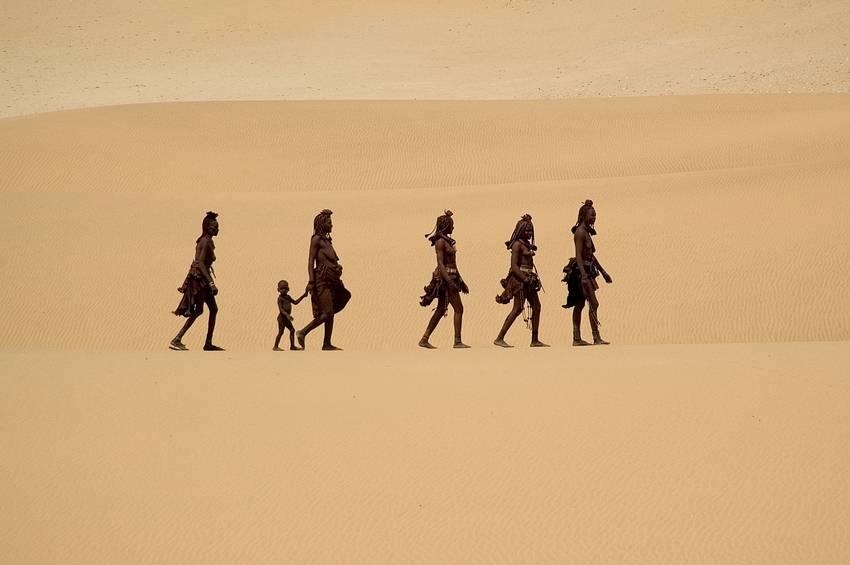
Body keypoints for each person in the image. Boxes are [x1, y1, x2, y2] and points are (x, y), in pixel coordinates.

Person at [296, 209, 351, 350]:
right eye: (329, 223)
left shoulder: (327, 240)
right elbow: (310, 261)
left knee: (331, 311)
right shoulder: (316, 240)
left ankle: (327, 343)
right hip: (322, 280)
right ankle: (303, 331)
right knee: (326, 312)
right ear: (322, 224)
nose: (332, 225)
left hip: (332, 280)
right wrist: (311, 281)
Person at [170, 211, 225, 351]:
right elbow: (200, 263)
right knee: (199, 310)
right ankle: (177, 339)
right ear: (208, 227)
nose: (218, 229)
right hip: (199, 279)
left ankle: (208, 342)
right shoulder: (205, 242)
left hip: (203, 278)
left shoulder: (207, 241)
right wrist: (211, 283)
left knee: (213, 309)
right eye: (215, 227)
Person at [562, 200, 613, 345]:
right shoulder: (580, 232)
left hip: (587, 272)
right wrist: (584, 276)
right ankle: (595, 337)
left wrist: (603, 273)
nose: (594, 218)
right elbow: (578, 255)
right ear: (584, 215)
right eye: (592, 215)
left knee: (580, 304)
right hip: (581, 274)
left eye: (595, 215)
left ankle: (577, 338)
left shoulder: (586, 232)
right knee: (594, 303)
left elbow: (590, 255)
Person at [494, 214, 549, 348]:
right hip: (520, 281)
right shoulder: (517, 245)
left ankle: (535, 340)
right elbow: (514, 266)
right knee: (518, 308)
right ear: (520, 230)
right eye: (527, 231)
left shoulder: (526, 245)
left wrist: (530, 279)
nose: (529, 233)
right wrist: (525, 279)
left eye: (531, 231)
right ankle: (499, 338)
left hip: (529, 280)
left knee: (536, 306)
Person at [419, 210, 470, 349]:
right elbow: (441, 264)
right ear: (445, 225)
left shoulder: (447, 241)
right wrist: (450, 282)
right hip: (445, 280)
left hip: (451, 278)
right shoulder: (440, 242)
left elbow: (453, 264)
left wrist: (461, 281)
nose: (453, 227)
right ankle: (457, 341)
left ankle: (424, 339)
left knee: (441, 309)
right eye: (451, 225)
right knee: (459, 309)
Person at [273, 280, 308, 351]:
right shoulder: (280, 298)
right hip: (282, 318)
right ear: (278, 290)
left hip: (286, 318)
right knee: (281, 332)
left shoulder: (288, 297)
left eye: (285, 288)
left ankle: (292, 346)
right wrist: (287, 315)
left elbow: (295, 302)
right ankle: (275, 346)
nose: (284, 290)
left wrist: (303, 296)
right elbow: (281, 309)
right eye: (282, 288)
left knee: (292, 330)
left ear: (288, 289)